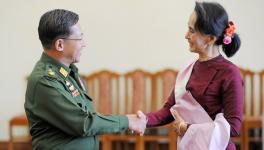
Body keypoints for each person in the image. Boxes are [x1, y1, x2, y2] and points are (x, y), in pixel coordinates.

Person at [24, 9, 146, 150]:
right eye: (79, 38)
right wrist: (127, 121)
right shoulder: (45, 81)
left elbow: (87, 116)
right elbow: (83, 123)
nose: (84, 44)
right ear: (59, 45)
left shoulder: (68, 72)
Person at [138, 2, 243, 150]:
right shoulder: (188, 69)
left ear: (210, 39)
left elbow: (233, 127)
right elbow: (170, 109)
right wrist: (144, 120)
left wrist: (187, 128)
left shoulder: (230, 73)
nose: (186, 35)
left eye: (191, 30)